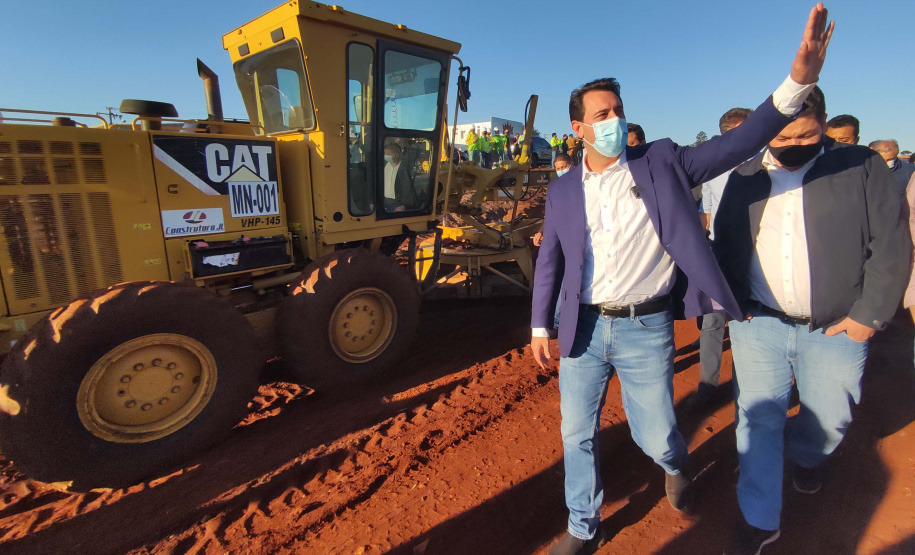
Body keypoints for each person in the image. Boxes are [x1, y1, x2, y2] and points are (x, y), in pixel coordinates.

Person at [531, 6, 832, 554]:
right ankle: (582, 525)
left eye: (618, 110)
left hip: (645, 327)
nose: (613, 120)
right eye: (601, 114)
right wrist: (537, 325)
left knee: (656, 434)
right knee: (575, 434)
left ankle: (673, 464)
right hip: (583, 329)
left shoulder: (663, 161)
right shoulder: (561, 191)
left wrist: (797, 84)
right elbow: (550, 259)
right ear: (578, 128)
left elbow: (737, 144)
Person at [713, 86, 908, 555]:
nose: (795, 145)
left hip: (838, 326)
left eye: (808, 134)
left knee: (830, 420)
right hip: (759, 324)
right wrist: (732, 304)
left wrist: (870, 315)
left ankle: (806, 454)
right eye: (783, 136)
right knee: (757, 423)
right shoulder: (745, 175)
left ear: (822, 125)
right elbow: (726, 242)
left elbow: (891, 241)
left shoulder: (859, 166)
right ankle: (759, 521)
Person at [688, 107, 754, 413]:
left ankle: (748, 387)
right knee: (712, 323)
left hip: (756, 257)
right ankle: (709, 385)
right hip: (718, 253)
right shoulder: (713, 170)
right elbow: (708, 207)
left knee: (748, 323)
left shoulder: (766, 167)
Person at [532, 153, 573, 247]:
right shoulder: (554, 188)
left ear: (571, 165)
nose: (561, 171)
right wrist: (540, 232)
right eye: (558, 169)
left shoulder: (582, 185)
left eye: (563, 167)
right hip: (560, 235)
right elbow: (550, 215)